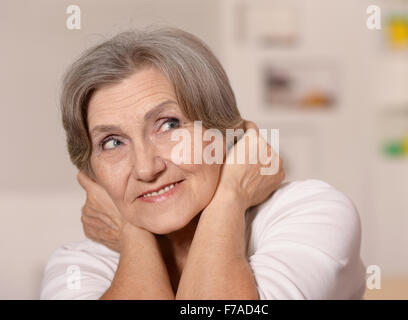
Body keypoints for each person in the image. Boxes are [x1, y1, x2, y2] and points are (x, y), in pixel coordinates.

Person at [40, 26, 366, 299]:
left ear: (223, 131)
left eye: (168, 124)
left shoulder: (310, 212)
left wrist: (229, 198)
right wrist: (132, 234)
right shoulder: (77, 265)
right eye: (112, 143)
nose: (145, 168)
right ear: (91, 172)